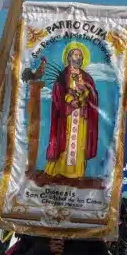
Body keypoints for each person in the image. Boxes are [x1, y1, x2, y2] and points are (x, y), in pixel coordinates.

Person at [45, 44, 101, 180]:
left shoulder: (86, 77)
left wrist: (85, 92)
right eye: (75, 55)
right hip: (67, 115)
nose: (78, 58)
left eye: (80, 55)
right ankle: (59, 170)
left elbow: (93, 95)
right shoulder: (63, 76)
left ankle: (77, 173)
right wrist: (70, 100)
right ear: (69, 58)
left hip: (81, 116)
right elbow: (58, 92)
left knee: (80, 142)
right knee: (65, 139)